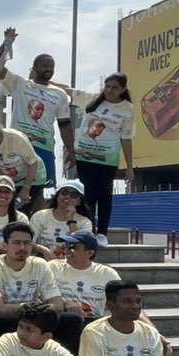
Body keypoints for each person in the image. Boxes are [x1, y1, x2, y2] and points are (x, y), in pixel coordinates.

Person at [0, 221, 84, 355]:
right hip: (6, 321)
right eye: (17, 243)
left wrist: (27, 308)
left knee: (72, 320)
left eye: (27, 243)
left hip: (36, 317)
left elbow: (57, 305)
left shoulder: (39, 264)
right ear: (5, 245)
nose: (22, 247)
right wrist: (35, 306)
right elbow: (0, 310)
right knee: (6, 320)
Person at [67, 73, 135, 246]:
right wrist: (47, 82)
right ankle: (88, 230)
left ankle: (102, 233)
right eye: (107, 86)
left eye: (115, 88)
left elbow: (126, 138)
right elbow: (69, 90)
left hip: (107, 158)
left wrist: (129, 166)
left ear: (123, 90)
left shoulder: (128, 109)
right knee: (88, 194)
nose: (110, 90)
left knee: (104, 195)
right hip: (84, 156)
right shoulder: (92, 99)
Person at [3, 54, 75, 209]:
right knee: (12, 186)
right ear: (34, 69)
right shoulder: (20, 84)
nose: (48, 69)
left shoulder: (60, 94)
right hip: (17, 148)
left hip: (44, 148)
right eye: (44, 65)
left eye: (51, 66)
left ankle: (37, 227)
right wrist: (7, 44)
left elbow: (64, 124)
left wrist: (71, 150)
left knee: (38, 191)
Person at [48, 230, 122, 321]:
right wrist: (64, 304)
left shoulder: (107, 273)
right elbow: (40, 298)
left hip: (92, 322)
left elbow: (122, 300)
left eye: (73, 247)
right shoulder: (53, 267)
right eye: (66, 245)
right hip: (59, 319)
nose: (66, 251)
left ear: (90, 253)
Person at [30, 179, 94, 260]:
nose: (68, 197)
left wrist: (71, 220)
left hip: (71, 264)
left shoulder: (84, 222)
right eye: (64, 193)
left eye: (74, 195)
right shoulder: (40, 216)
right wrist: (43, 250)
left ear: (79, 201)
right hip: (43, 263)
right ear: (57, 196)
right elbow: (28, 242)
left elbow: (82, 247)